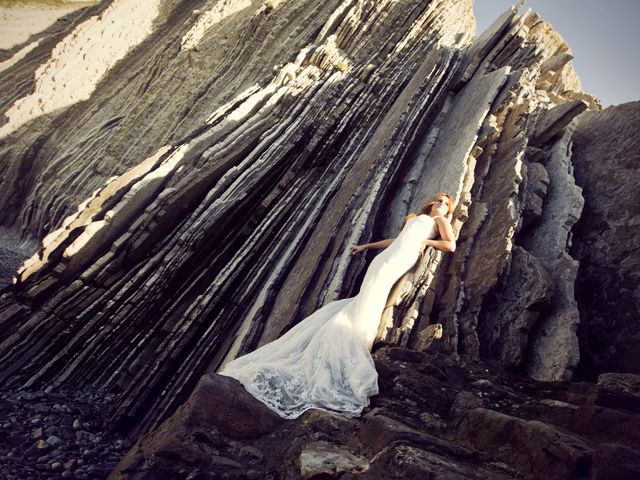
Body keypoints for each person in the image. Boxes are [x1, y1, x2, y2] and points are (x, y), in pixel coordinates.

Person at [219, 193, 456, 419]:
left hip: (405, 256)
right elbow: (397, 240)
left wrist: (428, 241)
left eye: (444, 202)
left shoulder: (441, 220)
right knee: (368, 292)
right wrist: (367, 247)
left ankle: (357, 336)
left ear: (448, 208)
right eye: (437, 200)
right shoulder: (417, 217)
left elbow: (450, 245)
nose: (439, 203)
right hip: (392, 253)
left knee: (375, 292)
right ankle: (354, 331)